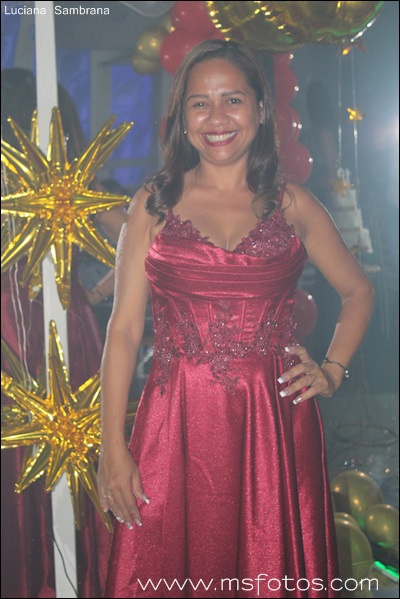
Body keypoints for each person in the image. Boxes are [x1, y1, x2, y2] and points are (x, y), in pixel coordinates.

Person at [98, 40, 374, 598]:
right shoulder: (153, 204)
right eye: (200, 103)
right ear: (182, 117)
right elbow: (123, 331)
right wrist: (112, 446)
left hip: (274, 423)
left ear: (260, 109)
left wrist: (332, 370)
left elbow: (358, 291)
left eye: (233, 100)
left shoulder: (293, 204)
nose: (217, 117)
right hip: (173, 425)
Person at [1, 67, 125, 599]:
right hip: (63, 324)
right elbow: (142, 243)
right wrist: (95, 296)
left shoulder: (59, 185)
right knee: (65, 459)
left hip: (22, 326)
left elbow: (139, 243)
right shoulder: (65, 183)